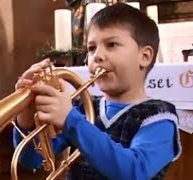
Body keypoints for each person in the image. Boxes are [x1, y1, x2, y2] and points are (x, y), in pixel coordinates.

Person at [13, 3, 181, 180]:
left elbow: (133, 171)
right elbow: (31, 160)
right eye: (92, 48)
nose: (97, 56)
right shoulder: (83, 109)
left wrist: (71, 120)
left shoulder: (160, 118)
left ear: (144, 56)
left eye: (111, 44)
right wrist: (25, 116)